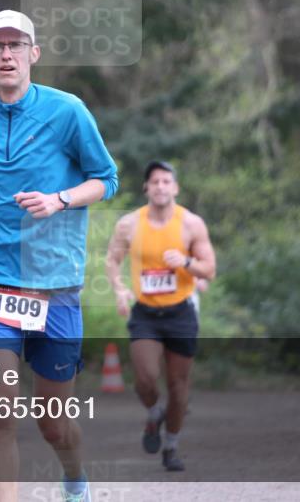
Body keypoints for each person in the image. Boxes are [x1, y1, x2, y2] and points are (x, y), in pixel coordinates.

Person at [0, 10, 119, 502]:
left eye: (16, 45)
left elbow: (107, 179)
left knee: (53, 424)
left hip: (54, 284)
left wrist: (58, 200)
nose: (7, 54)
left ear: (33, 53)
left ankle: (75, 480)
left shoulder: (68, 112)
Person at [105, 160, 216, 472]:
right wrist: (119, 289)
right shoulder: (128, 224)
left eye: (166, 181)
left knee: (179, 388)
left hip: (181, 312)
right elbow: (112, 260)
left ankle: (171, 447)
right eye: (154, 182)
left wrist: (185, 261)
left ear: (176, 188)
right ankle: (154, 412)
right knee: (144, 377)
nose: (160, 187)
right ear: (146, 188)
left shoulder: (191, 224)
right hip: (146, 314)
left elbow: (209, 268)